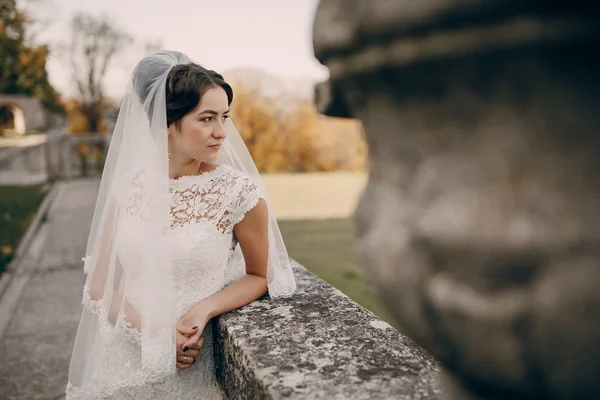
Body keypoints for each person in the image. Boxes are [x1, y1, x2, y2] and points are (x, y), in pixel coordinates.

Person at [65, 50, 296, 399]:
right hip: (123, 360)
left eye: (225, 117)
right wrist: (152, 335)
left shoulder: (239, 193)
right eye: (207, 119)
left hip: (190, 370)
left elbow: (260, 275)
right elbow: (100, 284)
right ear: (166, 122)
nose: (222, 132)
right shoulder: (128, 186)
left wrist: (204, 308)